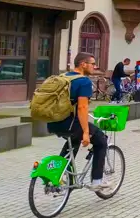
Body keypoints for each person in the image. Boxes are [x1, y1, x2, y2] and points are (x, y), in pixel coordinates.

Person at [47, 52, 110, 190]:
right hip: (70, 123)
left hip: (53, 122)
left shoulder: (63, 77)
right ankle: (97, 181)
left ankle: (60, 174)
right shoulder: (84, 81)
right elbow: (82, 107)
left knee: (73, 141)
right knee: (101, 140)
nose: (95, 66)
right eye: (92, 63)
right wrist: (86, 132)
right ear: (83, 64)